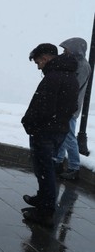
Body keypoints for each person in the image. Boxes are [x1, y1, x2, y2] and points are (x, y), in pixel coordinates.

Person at [21, 43, 78, 227]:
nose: (38, 66)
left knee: (44, 169)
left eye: (38, 62)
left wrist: (29, 122)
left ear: (45, 58)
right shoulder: (70, 76)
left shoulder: (53, 77)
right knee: (48, 168)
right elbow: (73, 106)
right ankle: (43, 200)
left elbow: (43, 107)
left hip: (45, 131)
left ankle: (45, 212)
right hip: (59, 129)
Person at [53, 37, 90, 181]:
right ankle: (58, 161)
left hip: (70, 108)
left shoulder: (82, 66)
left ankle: (74, 167)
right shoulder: (76, 63)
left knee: (68, 137)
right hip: (68, 107)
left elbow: (73, 87)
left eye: (66, 49)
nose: (64, 52)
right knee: (63, 136)